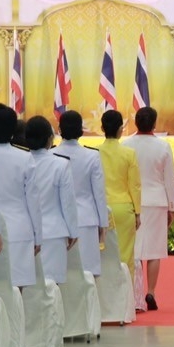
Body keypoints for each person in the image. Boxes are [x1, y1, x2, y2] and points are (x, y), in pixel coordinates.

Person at [0, 106, 39, 290]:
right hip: (18, 230)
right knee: (16, 290)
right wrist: (38, 236)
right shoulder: (25, 158)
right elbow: (33, 202)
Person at [126, 107, 174, 310]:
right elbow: (169, 179)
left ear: (136, 122)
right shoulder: (163, 146)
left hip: (133, 201)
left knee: (135, 250)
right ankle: (151, 292)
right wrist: (172, 206)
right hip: (156, 200)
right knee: (154, 250)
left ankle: (135, 295)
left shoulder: (126, 144)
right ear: (154, 124)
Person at [22, 116, 77, 286]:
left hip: (26, 232)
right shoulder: (60, 164)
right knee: (53, 287)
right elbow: (68, 202)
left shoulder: (21, 161)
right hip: (54, 232)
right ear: (49, 139)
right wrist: (73, 231)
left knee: (27, 287)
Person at [54, 111, 110, 277]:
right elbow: (99, 193)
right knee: (88, 273)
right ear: (81, 130)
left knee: (60, 273)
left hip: (59, 219)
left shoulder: (51, 155)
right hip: (86, 218)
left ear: (60, 129)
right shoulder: (92, 156)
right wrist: (103, 223)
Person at [98, 110, 141, 273]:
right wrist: (138, 212)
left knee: (102, 257)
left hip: (102, 209)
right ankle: (126, 289)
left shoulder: (94, 152)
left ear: (102, 128)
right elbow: (134, 186)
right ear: (121, 129)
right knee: (125, 257)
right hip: (124, 208)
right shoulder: (129, 154)